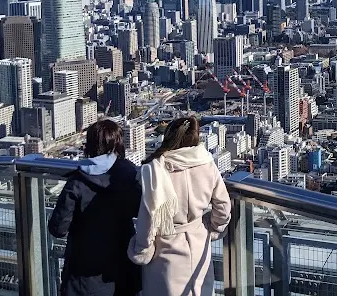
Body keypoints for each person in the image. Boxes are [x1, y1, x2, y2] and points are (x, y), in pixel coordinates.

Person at [128, 116, 231, 296]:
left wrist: (142, 250)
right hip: (199, 243)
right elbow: (223, 206)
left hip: (165, 249)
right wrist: (212, 228)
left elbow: (148, 217)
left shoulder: (155, 170)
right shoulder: (207, 163)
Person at [48, 119, 142, 296]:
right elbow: (140, 210)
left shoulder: (77, 181)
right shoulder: (131, 175)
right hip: (123, 269)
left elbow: (58, 228)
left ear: (90, 146)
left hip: (84, 275)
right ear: (118, 144)